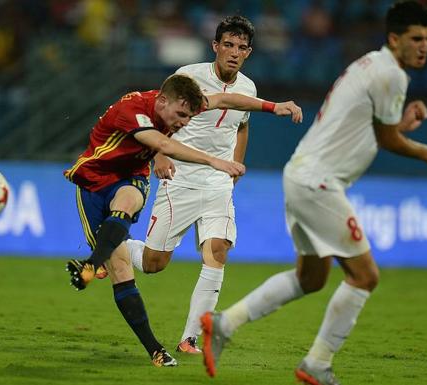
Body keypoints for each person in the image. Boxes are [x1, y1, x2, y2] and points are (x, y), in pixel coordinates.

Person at [200, 2, 427, 384]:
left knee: (312, 278)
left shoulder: (369, 64)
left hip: (301, 176)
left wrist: (400, 124)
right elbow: (386, 139)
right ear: (394, 39)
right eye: (416, 38)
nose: (424, 46)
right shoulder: (391, 76)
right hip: (319, 183)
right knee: (365, 276)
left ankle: (224, 323)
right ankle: (317, 364)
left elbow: (365, 131)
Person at [63, 73, 301, 368]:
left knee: (128, 201)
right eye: (181, 116)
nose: (184, 122)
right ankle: (103, 261)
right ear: (163, 101)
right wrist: (214, 160)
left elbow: (226, 99)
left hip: (130, 178)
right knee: (125, 271)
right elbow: (165, 145)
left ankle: (154, 348)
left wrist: (271, 106)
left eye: (189, 116)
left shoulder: (180, 103)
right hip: (92, 183)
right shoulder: (133, 111)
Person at [123, 15, 302, 355]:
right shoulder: (187, 76)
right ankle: (117, 248)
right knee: (153, 264)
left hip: (218, 181)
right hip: (180, 177)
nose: (234, 53)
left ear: (249, 52)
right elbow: (157, 116)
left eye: (242, 48)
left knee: (217, 250)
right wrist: (159, 156)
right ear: (215, 46)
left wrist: (235, 166)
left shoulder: (248, 88)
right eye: (229, 45)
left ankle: (190, 337)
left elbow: (242, 126)